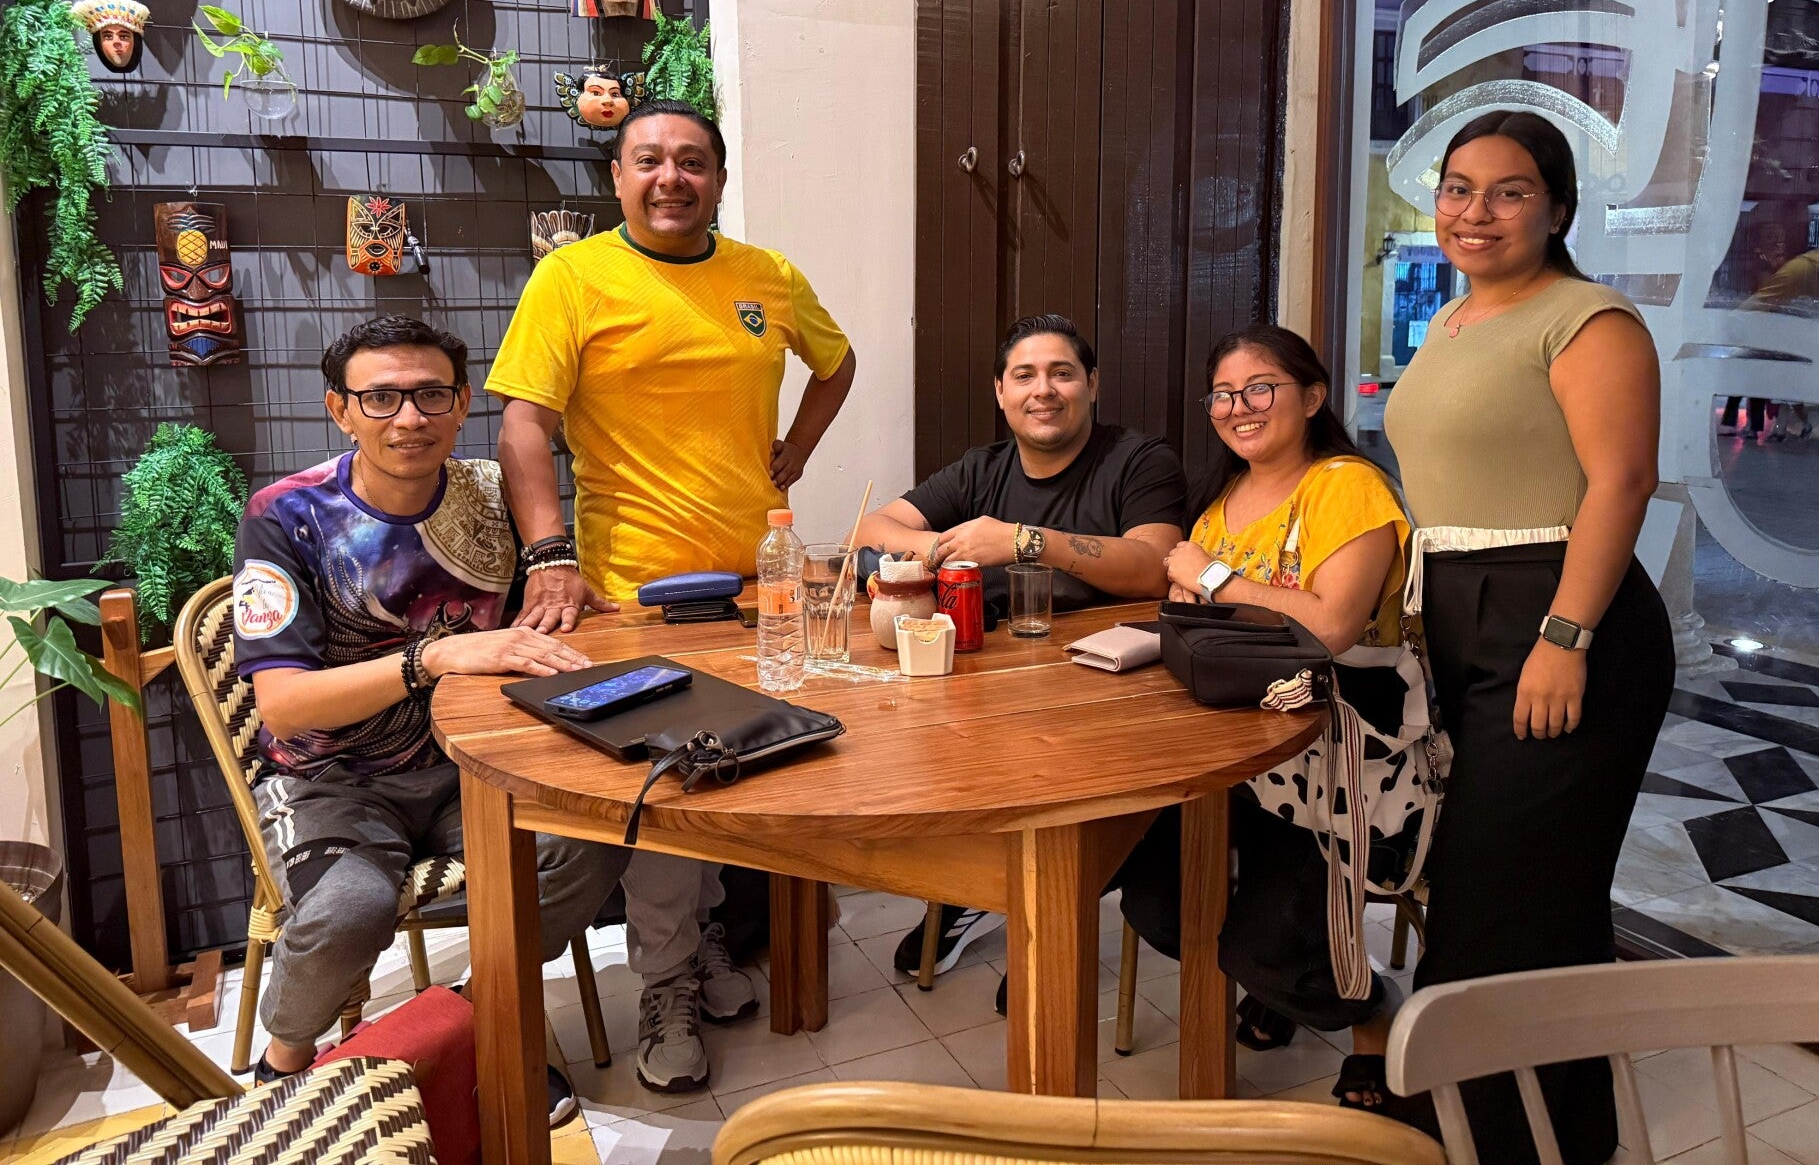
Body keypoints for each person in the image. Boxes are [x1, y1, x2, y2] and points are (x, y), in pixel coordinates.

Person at [487, 99, 857, 1092]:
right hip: (635, 593)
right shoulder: (572, 278)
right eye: (648, 159)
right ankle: (667, 986)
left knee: (750, 772)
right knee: (667, 786)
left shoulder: (767, 276)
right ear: (616, 178)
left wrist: (796, 451)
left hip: (758, 587)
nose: (671, 178)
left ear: (720, 179)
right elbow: (524, 426)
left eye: (692, 161)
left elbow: (837, 363)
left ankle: (709, 945)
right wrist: (548, 554)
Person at [232, 316, 630, 1122]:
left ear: (462, 402)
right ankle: (285, 1063)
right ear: (340, 410)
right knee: (349, 909)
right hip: (330, 778)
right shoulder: (287, 516)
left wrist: (567, 593)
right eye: (381, 398)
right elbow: (283, 704)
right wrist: (432, 658)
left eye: (429, 396)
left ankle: (476, 1023)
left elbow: (537, 615)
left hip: (469, 763)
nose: (409, 418)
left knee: (594, 837)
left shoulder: (491, 495)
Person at [1384, 110, 1672, 1163]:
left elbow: (1621, 482)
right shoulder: (1454, 321)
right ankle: (1533, 1127)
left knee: (1504, 896)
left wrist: (1564, 636)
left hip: (1556, 618)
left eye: (1509, 192)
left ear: (1556, 209)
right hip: (1466, 619)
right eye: (1458, 188)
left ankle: (1488, 1135)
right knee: (1526, 890)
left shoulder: (1589, 319)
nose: (1476, 211)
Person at [1108, 324, 1411, 1110]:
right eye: (1222, 394)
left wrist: (1210, 578)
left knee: (1267, 945)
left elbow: (1331, 627)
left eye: (1259, 388)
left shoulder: (1346, 487)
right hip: (1238, 746)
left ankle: (1375, 1017)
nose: (1238, 407)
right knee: (1157, 903)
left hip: (1343, 750)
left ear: (1311, 397)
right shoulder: (1219, 502)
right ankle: (1280, 986)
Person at [854, 313, 1187, 993]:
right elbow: (870, 525)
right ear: (1000, 392)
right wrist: (944, 547)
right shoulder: (982, 468)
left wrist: (1023, 540)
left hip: (1105, 703)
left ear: (1092, 384)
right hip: (988, 691)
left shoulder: (1139, 460)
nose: (1044, 390)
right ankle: (983, 890)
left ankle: (1046, 920)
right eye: (1025, 375)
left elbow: (1154, 567)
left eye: (1062, 373)